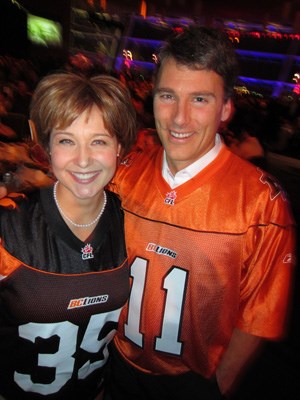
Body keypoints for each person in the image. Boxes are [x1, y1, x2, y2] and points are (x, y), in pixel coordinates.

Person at [106, 26, 296, 399]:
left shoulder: (261, 203)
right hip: (113, 365)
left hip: (190, 384)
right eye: (168, 96)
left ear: (226, 108)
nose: (179, 118)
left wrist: (216, 387)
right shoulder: (122, 175)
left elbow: (259, 316)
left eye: (200, 100)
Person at [0, 71, 136, 400]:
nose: (84, 159)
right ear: (47, 146)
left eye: (99, 141)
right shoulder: (9, 227)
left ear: (119, 146)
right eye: (66, 140)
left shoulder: (135, 223)